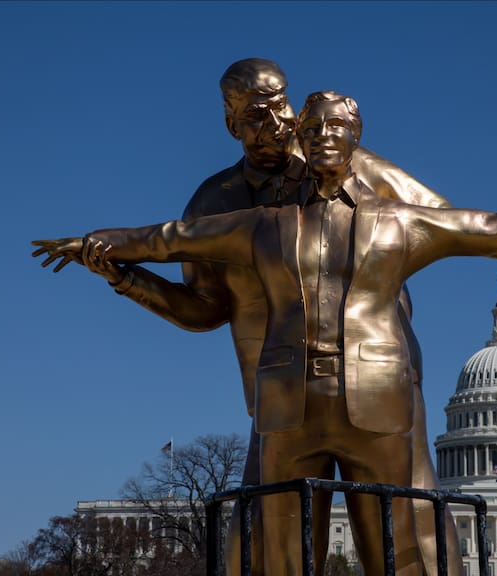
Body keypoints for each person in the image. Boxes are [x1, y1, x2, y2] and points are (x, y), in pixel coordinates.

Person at [33, 90, 497, 575]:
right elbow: (170, 238)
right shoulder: (261, 223)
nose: (326, 138)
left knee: (401, 543)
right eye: (315, 129)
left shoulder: (402, 221)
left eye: (338, 129)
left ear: (357, 140)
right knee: (278, 548)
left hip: (377, 396)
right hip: (287, 401)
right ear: (300, 137)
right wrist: (98, 246)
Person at [38, 58, 463, 576]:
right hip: (279, 390)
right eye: (259, 115)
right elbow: (203, 310)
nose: (279, 124)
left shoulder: (342, 162)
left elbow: (439, 222)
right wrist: (127, 279)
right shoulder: (213, 203)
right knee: (262, 546)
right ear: (231, 125)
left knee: (407, 533)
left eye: (282, 105)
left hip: (371, 375)